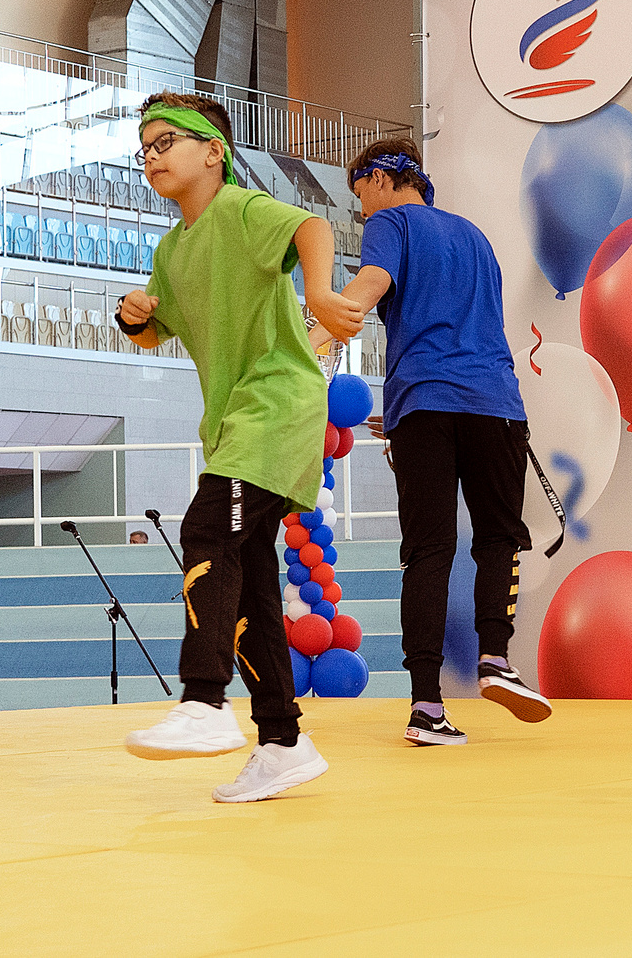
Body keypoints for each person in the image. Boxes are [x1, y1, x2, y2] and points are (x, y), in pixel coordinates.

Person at [115, 91, 344, 803]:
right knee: (250, 583)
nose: (152, 156)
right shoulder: (171, 248)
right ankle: (283, 741)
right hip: (235, 421)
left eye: (166, 142)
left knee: (208, 530)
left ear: (213, 151)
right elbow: (157, 330)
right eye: (144, 148)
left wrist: (319, 293)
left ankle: (205, 699)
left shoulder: (242, 210)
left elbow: (312, 225)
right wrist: (133, 316)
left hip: (277, 406)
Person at [329, 136, 546, 747]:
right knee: (499, 538)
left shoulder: (391, 223)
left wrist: (312, 335)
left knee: (429, 550)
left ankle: (426, 704)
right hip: (494, 403)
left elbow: (369, 288)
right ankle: (496, 658)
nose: (361, 211)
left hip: (425, 401)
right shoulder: (475, 237)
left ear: (381, 178)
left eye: (359, 195)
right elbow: (471, 329)